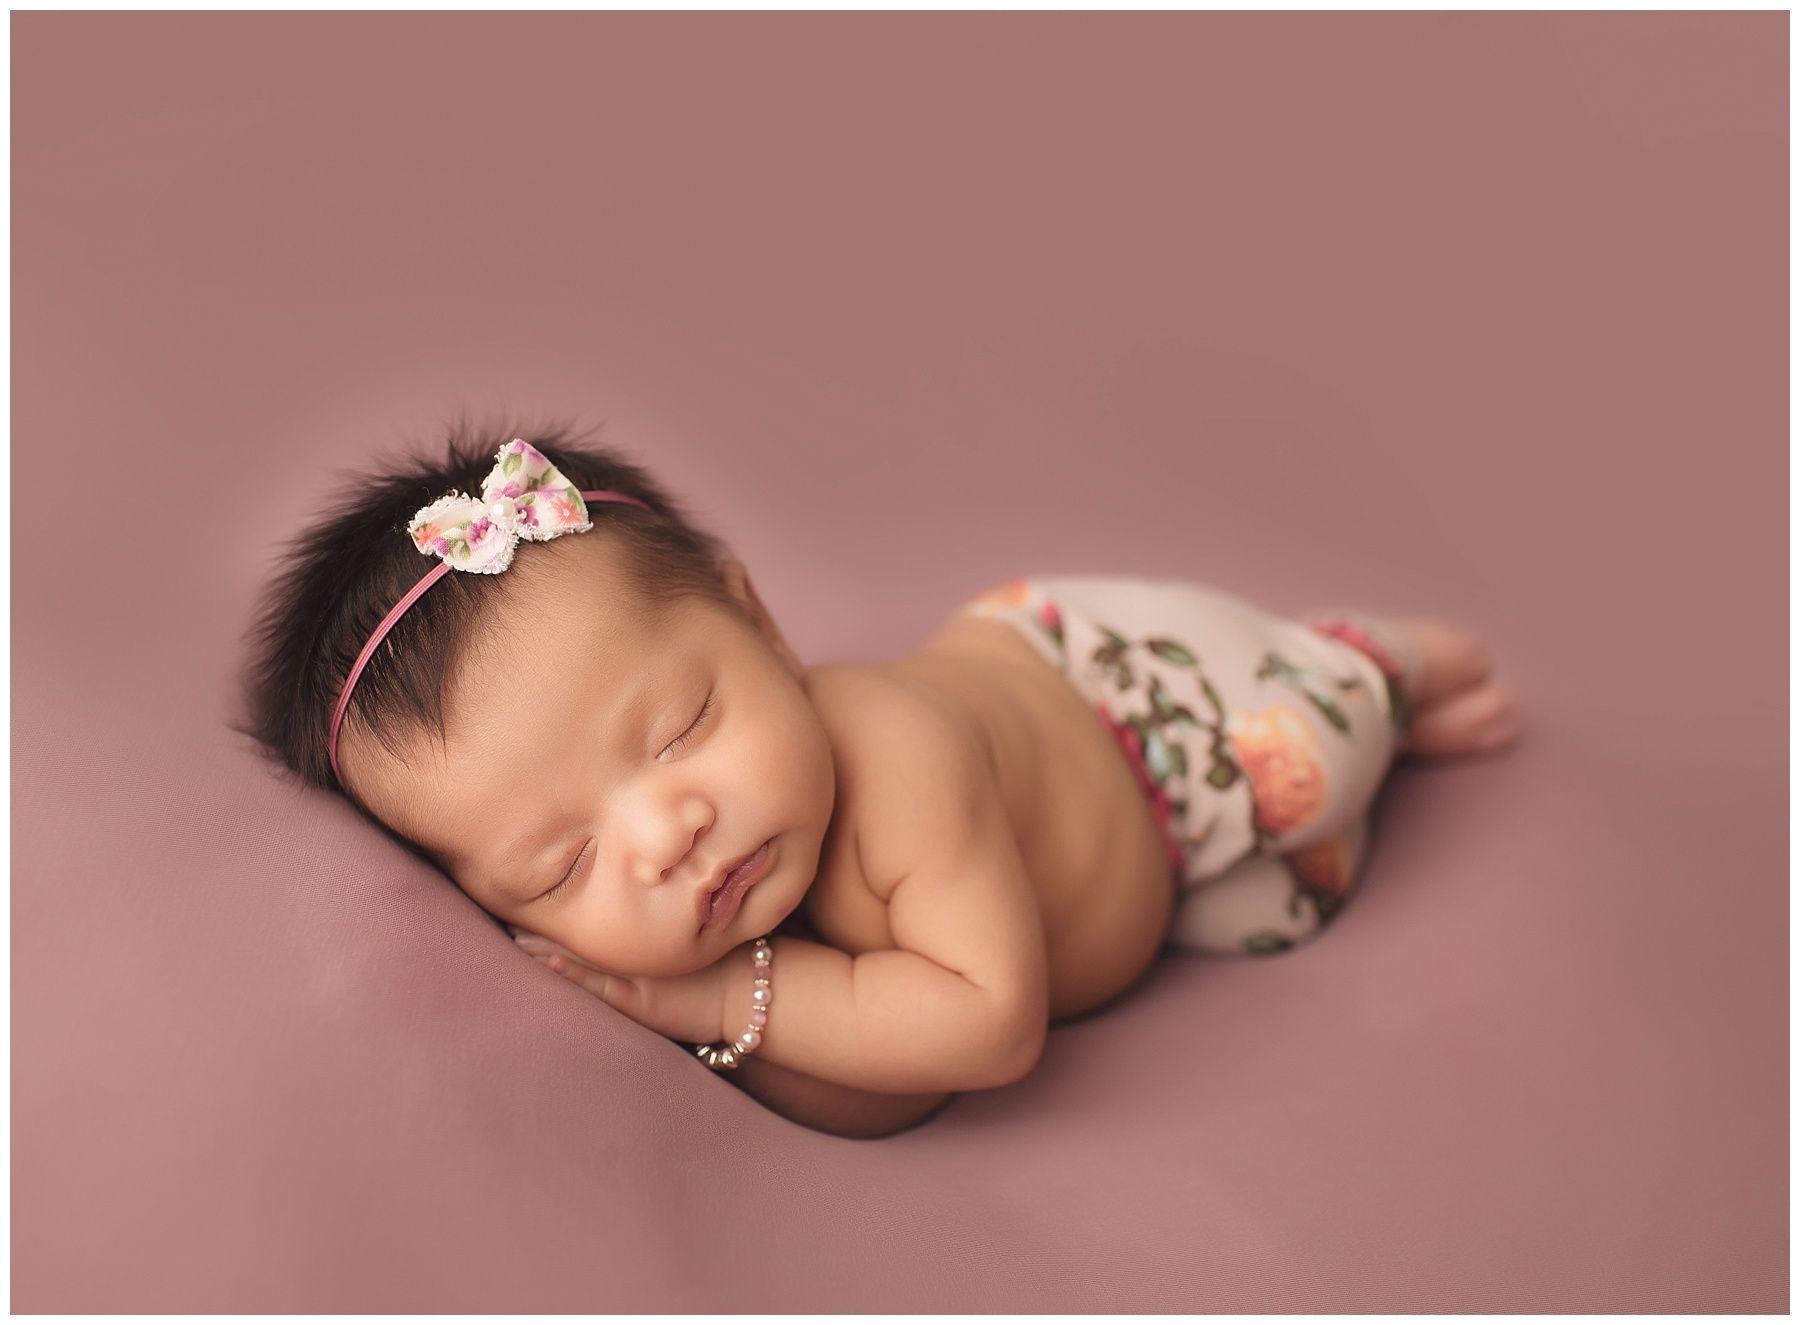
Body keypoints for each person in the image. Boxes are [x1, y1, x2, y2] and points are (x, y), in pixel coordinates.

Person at [235, 420, 1523, 1139]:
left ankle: (1391, 664)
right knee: (1265, 903)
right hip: (1133, 854)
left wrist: (693, 1002)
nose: (667, 835)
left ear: (760, 622)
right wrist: (735, 1004)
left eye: (681, 727)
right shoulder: (736, 893)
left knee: (1314, 752)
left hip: (1139, 707)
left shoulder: (889, 755)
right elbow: (877, 1096)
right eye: (560, 866)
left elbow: (985, 1027)